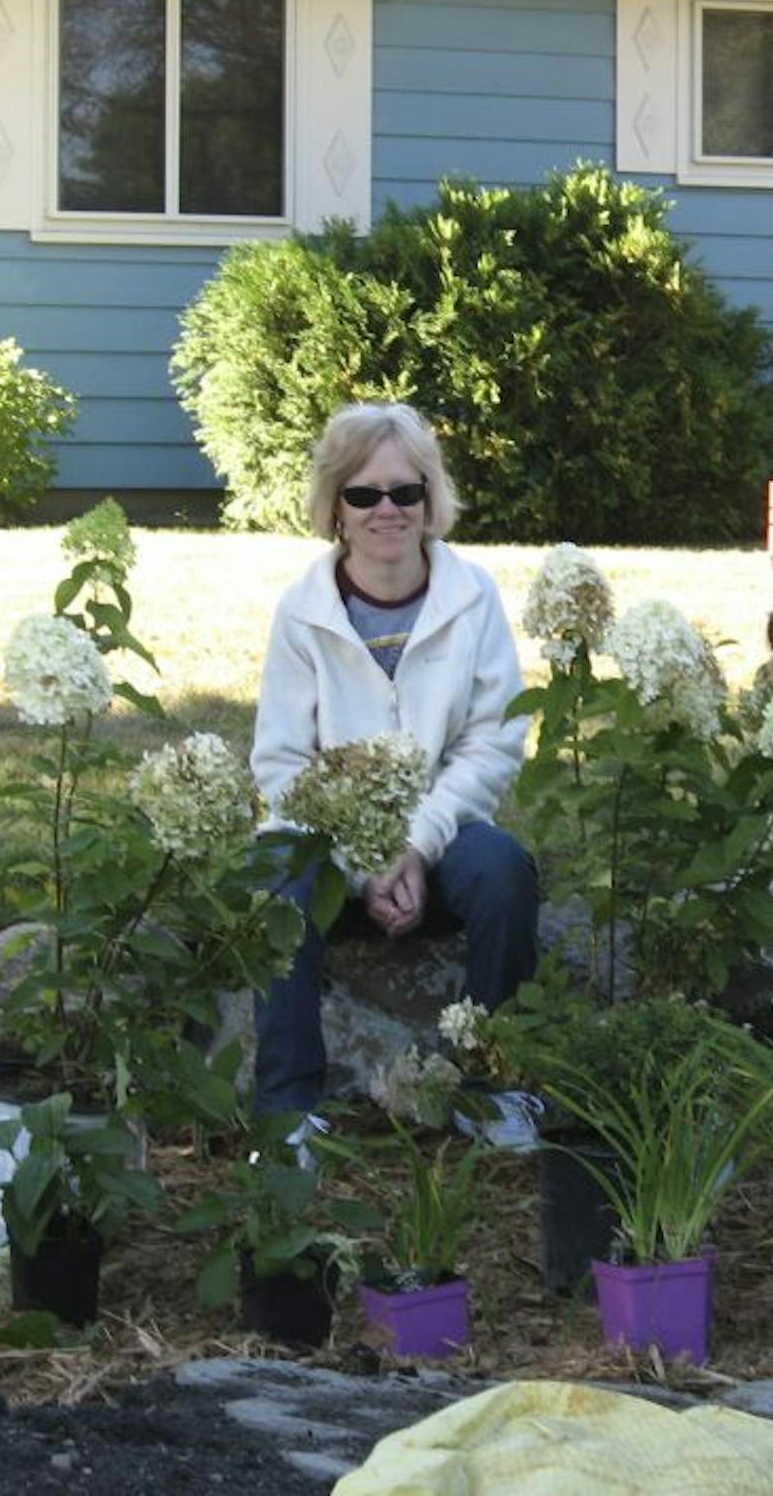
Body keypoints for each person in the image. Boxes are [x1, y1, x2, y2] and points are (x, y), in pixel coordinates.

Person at [250, 401, 540, 1145]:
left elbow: (492, 744)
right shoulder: (303, 611)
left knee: (507, 872)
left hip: (442, 844)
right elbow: (281, 762)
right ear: (335, 507)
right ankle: (288, 1113)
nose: (388, 510)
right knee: (272, 875)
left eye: (406, 491)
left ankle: (491, 1088)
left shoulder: (472, 598)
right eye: (364, 494)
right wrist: (362, 857)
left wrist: (412, 845)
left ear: (429, 498)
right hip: (325, 854)